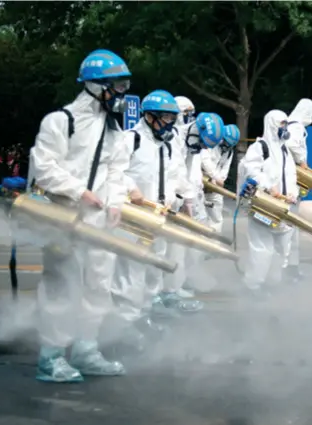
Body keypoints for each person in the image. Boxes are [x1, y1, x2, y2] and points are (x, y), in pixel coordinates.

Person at [29, 49, 132, 382]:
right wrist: (79, 191)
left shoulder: (114, 129)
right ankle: (51, 357)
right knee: (61, 287)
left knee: (98, 286)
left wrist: (115, 203)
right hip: (64, 217)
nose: (122, 92)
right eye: (117, 84)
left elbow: (116, 171)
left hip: (98, 222)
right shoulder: (61, 121)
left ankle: (87, 350)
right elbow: (44, 167)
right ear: (94, 85)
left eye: (124, 83)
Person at [111, 89, 181, 338]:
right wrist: (132, 189)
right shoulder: (131, 139)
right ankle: (125, 324)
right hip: (133, 216)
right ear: (150, 117)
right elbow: (114, 171)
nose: (170, 123)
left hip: (158, 216)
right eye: (166, 117)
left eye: (173, 119)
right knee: (131, 271)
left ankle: (145, 315)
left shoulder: (167, 145)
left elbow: (173, 176)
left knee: (153, 268)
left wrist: (171, 200)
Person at [160, 108, 225, 308]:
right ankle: (158, 295)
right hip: (166, 202)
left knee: (178, 249)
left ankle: (172, 290)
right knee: (162, 250)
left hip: (182, 202)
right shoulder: (174, 140)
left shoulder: (193, 146)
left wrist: (190, 201)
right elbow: (173, 173)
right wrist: (180, 198)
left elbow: (191, 176)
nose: (201, 147)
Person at [239, 109, 298, 294]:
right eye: (282, 124)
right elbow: (251, 170)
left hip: (283, 205)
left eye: (286, 124)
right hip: (263, 204)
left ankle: (272, 283)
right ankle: (253, 285)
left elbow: (291, 176)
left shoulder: (284, 150)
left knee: (282, 248)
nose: (285, 128)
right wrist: (268, 186)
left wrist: (292, 194)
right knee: (262, 247)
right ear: (272, 124)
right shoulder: (260, 147)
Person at [283, 98, 312, 283]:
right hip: (290, 183)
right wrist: (303, 162)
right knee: (290, 226)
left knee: (289, 227)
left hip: (287, 180)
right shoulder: (296, 127)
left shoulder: (287, 125)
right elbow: (292, 145)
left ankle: (289, 265)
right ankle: (289, 267)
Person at [201, 124, 240, 233]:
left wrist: (221, 179)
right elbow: (204, 160)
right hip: (202, 181)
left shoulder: (229, 151)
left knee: (216, 216)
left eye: (230, 145)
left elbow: (225, 167)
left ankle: (214, 240)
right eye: (226, 143)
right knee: (198, 213)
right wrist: (215, 177)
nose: (227, 146)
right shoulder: (210, 143)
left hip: (215, 186)